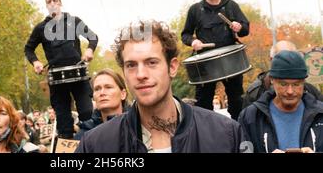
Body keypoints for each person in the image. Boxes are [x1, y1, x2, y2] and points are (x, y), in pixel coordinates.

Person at [76, 20, 244, 153]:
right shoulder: (95, 145)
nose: (141, 74)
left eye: (152, 62)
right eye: (131, 65)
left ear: (172, 67)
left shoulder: (224, 134)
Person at [25, 0, 98, 139]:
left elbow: (93, 37)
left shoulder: (74, 21)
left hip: (79, 75)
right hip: (57, 79)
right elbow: (28, 48)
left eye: (55, 1)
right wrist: (36, 62)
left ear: (60, 3)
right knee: (63, 120)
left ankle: (93, 145)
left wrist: (90, 50)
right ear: (46, 5)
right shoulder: (41, 28)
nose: (52, 4)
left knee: (87, 114)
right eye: (49, 2)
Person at [181, 0, 250, 120]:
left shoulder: (231, 6)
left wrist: (240, 27)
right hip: (206, 62)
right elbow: (185, 34)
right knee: (203, 102)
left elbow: (246, 29)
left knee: (237, 100)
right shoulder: (195, 10)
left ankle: (239, 130)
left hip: (230, 59)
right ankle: (207, 135)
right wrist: (193, 42)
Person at [238, 50, 323, 153]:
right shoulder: (251, 117)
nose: (290, 91)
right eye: (283, 84)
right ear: (272, 80)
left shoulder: (320, 114)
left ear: (304, 82)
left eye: (296, 84)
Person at [242, 40, 323, 109]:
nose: (290, 91)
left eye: (292, 58)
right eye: (281, 59)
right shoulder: (255, 93)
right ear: (271, 60)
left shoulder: (310, 91)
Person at [74, 68, 129, 140]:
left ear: (123, 94)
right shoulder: (84, 135)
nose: (102, 93)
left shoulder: (137, 126)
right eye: (97, 89)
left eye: (108, 87)